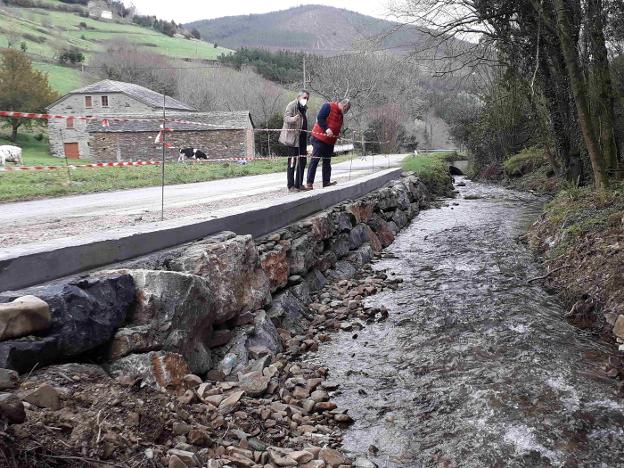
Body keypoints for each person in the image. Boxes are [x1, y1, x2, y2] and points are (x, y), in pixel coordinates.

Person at [306, 99, 351, 189]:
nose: (346, 112)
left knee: (327, 161)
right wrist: (327, 129)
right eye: (346, 109)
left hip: (330, 141)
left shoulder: (340, 115)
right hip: (319, 138)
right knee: (315, 160)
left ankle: (326, 182)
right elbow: (320, 118)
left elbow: (338, 126)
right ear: (344, 106)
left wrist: (338, 134)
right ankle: (309, 183)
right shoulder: (328, 106)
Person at [278, 90, 311, 192]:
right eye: (304, 97)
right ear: (298, 97)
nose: (306, 100)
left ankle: (299, 184)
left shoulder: (304, 108)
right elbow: (286, 118)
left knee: (302, 161)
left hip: (302, 138)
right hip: (293, 139)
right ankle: (290, 186)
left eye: (307, 98)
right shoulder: (292, 105)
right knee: (292, 161)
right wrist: (293, 119)